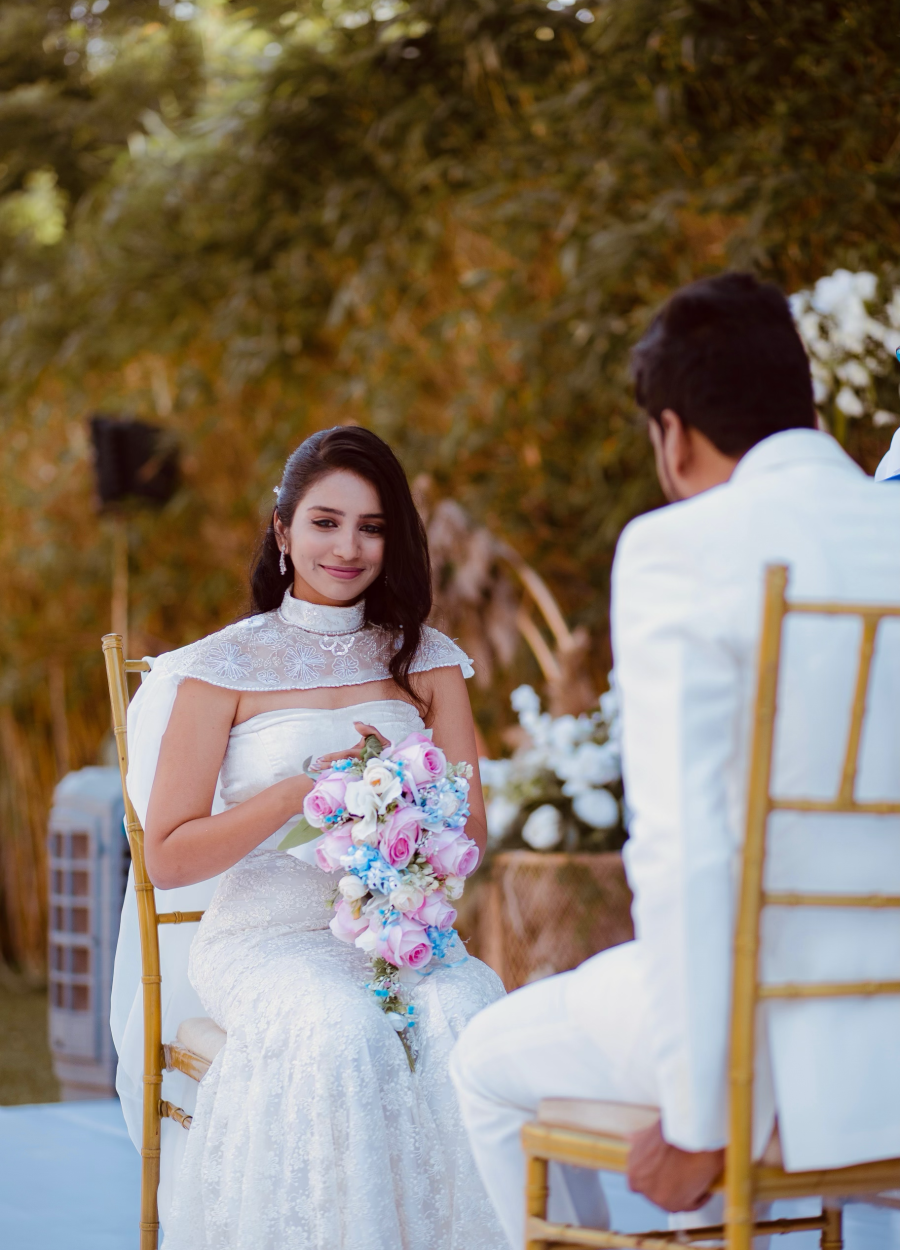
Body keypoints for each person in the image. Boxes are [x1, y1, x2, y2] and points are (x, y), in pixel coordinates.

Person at [451, 272, 900, 1247]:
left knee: (482, 1055)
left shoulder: (677, 550)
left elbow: (691, 850)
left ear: (675, 432)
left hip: (770, 1047)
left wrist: (706, 1117)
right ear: (803, 403)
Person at [110, 426, 507, 1250]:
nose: (348, 546)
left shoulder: (425, 657)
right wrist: (303, 795)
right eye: (326, 522)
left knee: (469, 1012)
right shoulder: (223, 666)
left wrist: (397, 801)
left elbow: (470, 824)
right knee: (342, 1033)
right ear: (283, 532)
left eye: (372, 526)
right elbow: (169, 852)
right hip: (266, 937)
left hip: (400, 931)